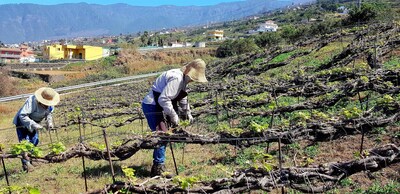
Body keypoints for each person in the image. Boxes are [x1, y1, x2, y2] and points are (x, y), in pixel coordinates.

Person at [142, 59, 208, 177]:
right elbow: (163, 99)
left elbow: (181, 97)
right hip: (153, 106)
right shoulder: (177, 78)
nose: (193, 81)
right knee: (161, 135)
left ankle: (158, 165)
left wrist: (188, 113)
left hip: (159, 106)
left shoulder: (182, 79)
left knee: (163, 136)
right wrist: (174, 116)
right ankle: (158, 168)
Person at [13, 87, 60, 172]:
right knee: (25, 143)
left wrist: (49, 123)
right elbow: (22, 115)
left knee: (35, 141)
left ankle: (31, 159)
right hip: (23, 123)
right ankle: (26, 164)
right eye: (45, 103)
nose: (47, 105)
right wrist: (36, 125)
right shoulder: (32, 101)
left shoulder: (50, 104)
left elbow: (49, 114)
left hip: (35, 123)